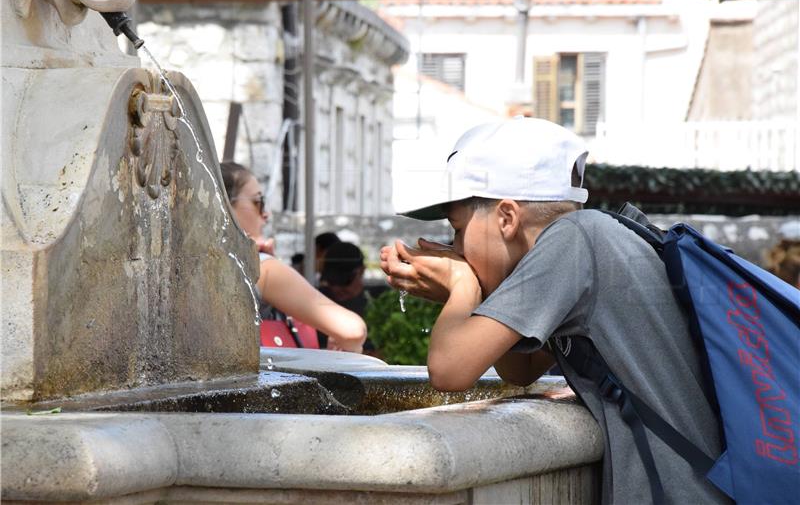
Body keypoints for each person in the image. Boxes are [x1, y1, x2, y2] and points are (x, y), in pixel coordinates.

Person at [379, 118, 729, 505]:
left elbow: (450, 370)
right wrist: (479, 296)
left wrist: (462, 286)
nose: (456, 246)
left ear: (507, 217)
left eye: (458, 229)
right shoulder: (597, 238)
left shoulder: (573, 241)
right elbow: (522, 371)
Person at [220, 162, 366, 353]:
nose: (266, 214)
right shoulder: (262, 268)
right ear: (225, 207)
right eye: (258, 202)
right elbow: (352, 330)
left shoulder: (188, 264)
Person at [318, 241, 379, 354]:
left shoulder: (378, 303)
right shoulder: (317, 303)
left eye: (344, 281)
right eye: (331, 281)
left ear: (361, 271)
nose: (336, 288)